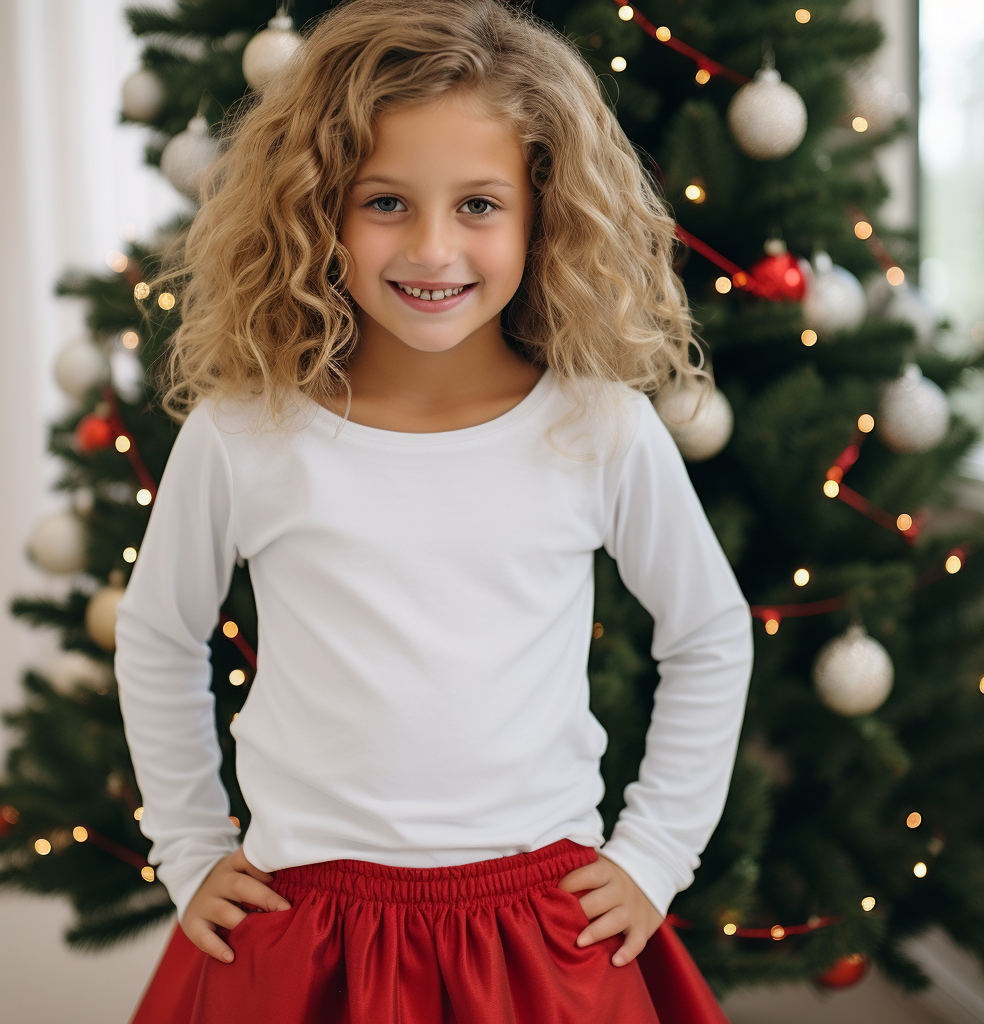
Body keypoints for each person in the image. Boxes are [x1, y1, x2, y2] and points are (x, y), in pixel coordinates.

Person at [116, 1, 754, 1021]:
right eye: (384, 202)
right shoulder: (244, 433)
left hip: (541, 929)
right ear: (319, 205)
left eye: (477, 205)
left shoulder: (599, 427)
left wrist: (656, 851)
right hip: (303, 921)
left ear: (543, 211)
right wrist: (190, 847)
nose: (430, 249)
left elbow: (710, 632)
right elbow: (157, 637)